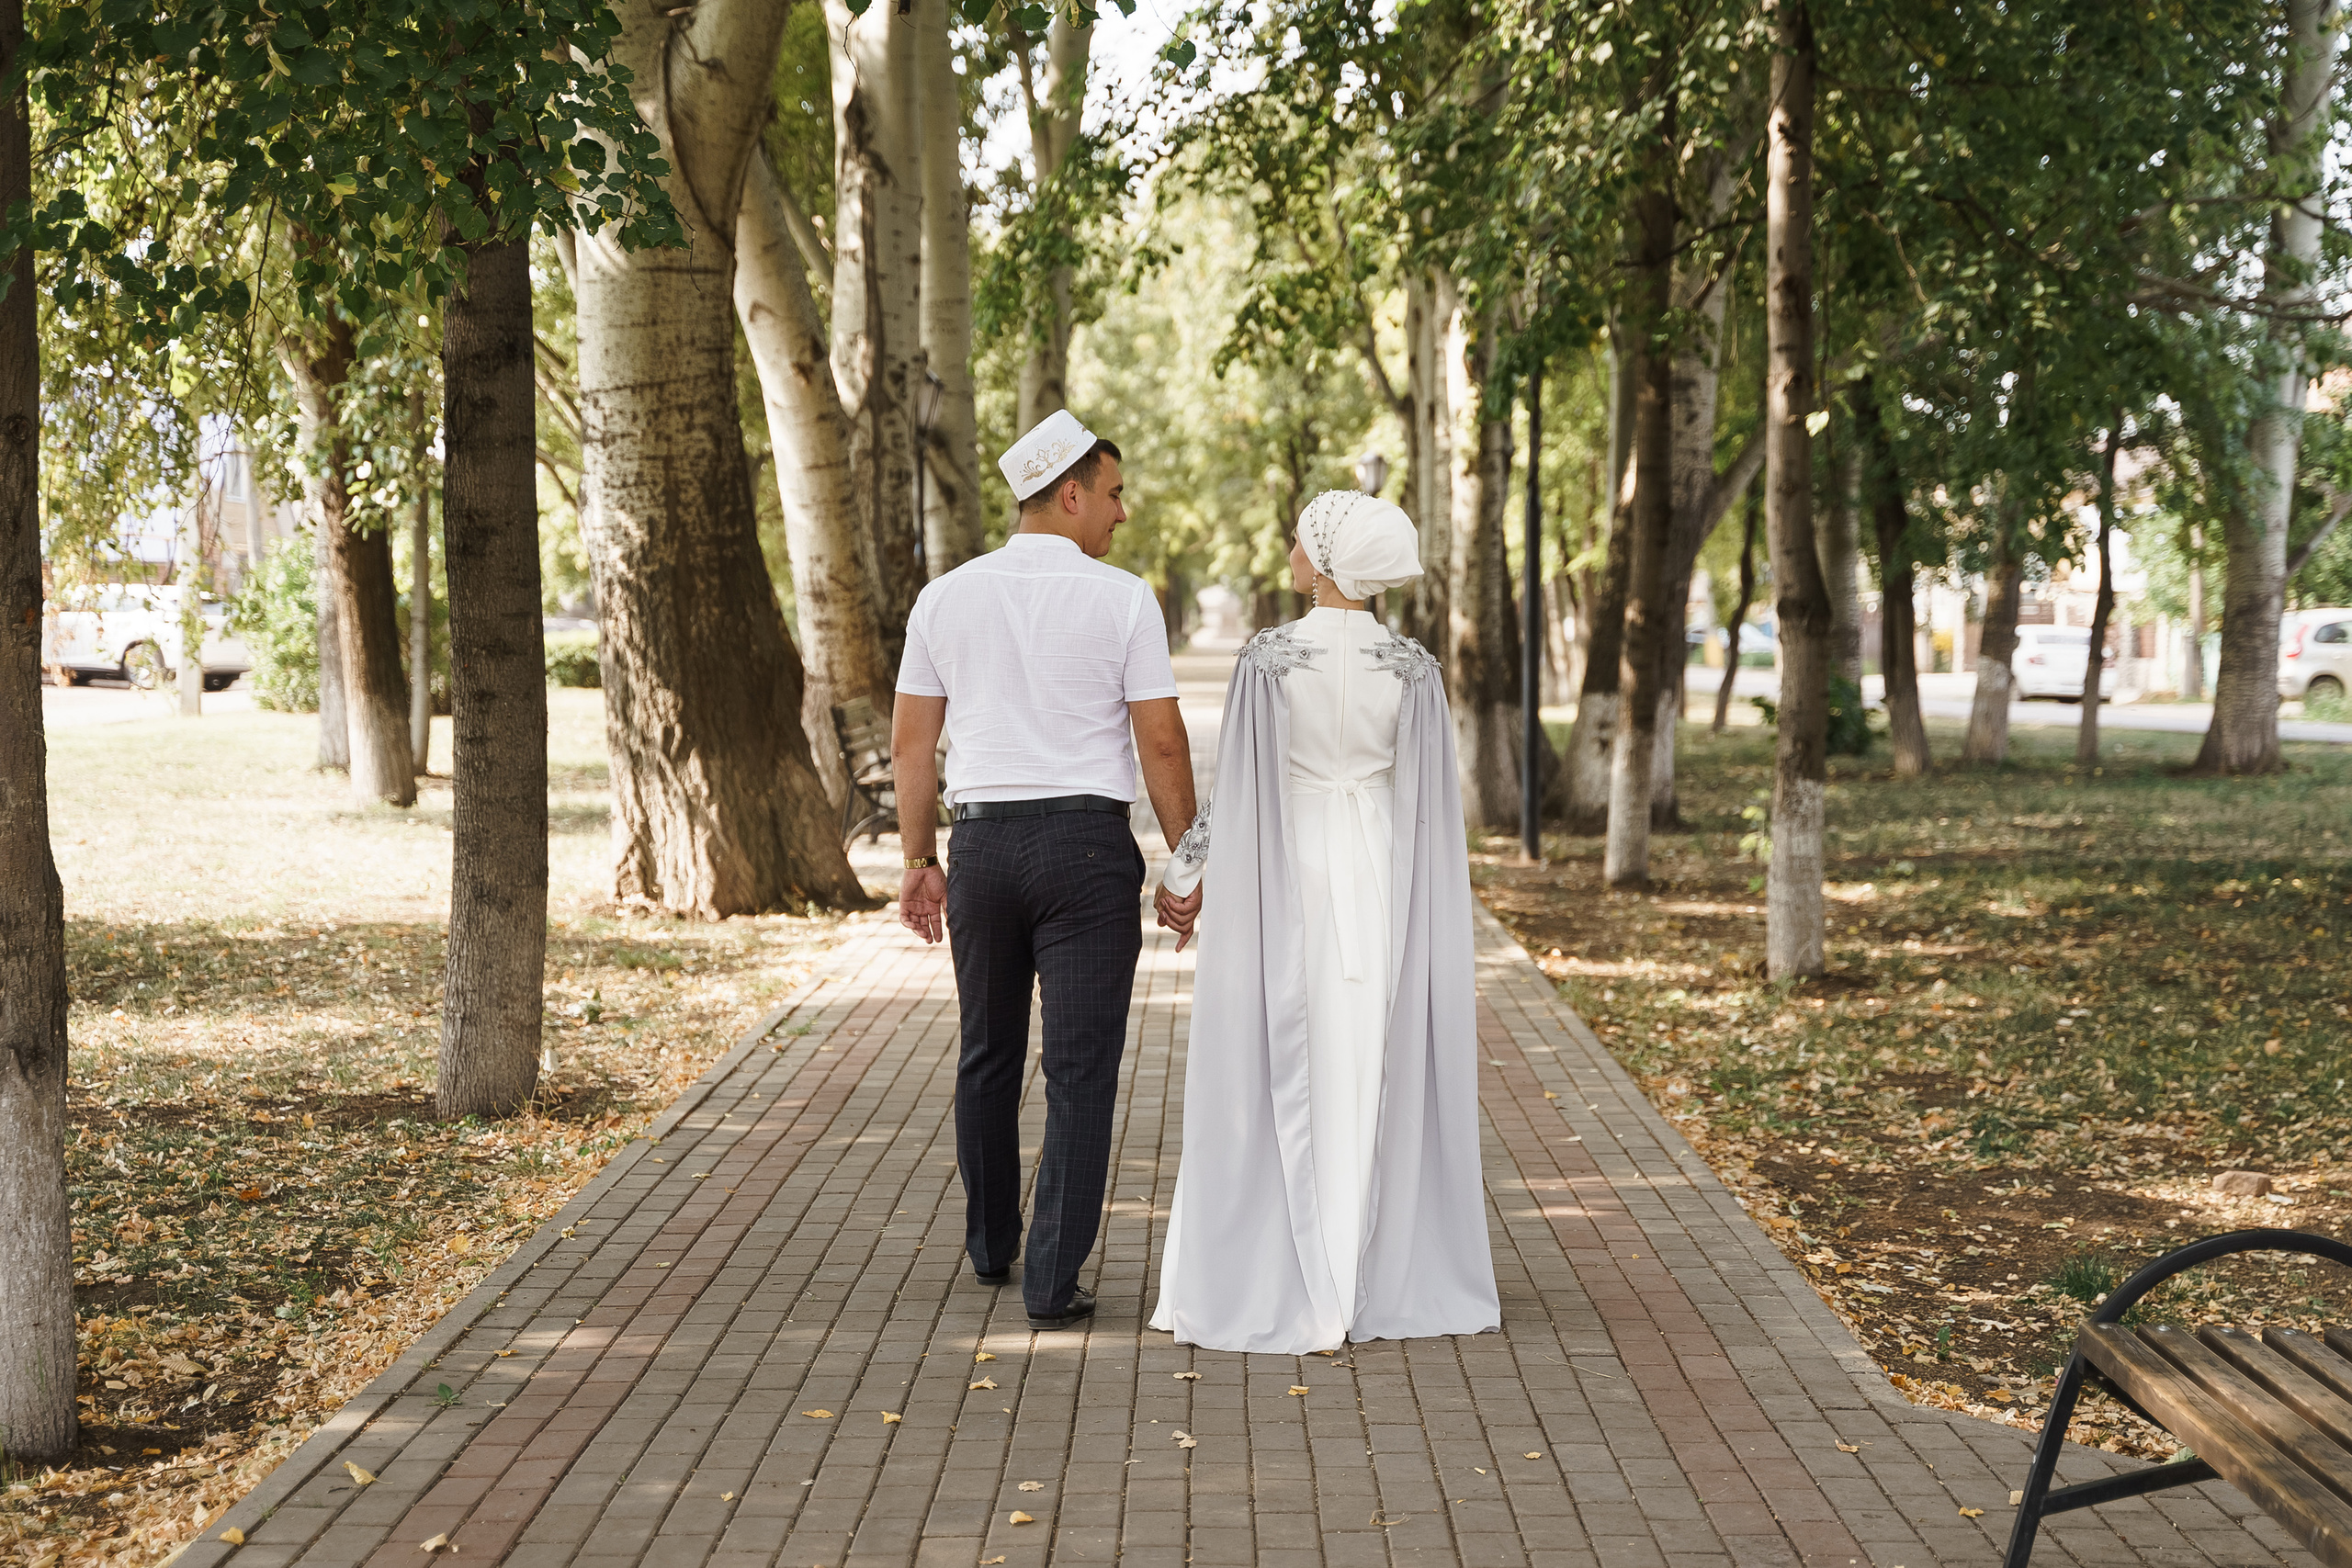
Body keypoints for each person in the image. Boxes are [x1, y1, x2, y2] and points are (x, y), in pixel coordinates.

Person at [1148, 489, 1498, 1354]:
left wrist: (1185, 870)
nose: (1291, 553)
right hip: (1383, 870)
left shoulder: (1269, 660)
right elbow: (1429, 806)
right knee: (1368, 1049)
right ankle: (1374, 1262)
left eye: (1301, 541)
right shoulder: (1414, 669)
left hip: (1289, 867)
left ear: (1328, 561)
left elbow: (1237, 787)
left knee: (1283, 1053)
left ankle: (1288, 1261)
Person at [891, 410, 1203, 1332]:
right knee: (1080, 1071)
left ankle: (992, 1245)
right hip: (1084, 854)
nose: (1121, 512)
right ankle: (1050, 1281)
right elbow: (1162, 742)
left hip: (980, 848)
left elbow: (913, 743)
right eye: (1111, 494)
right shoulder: (1122, 599)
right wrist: (1186, 864)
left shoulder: (944, 597)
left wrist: (919, 860)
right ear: (1069, 493)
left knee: (986, 1051)